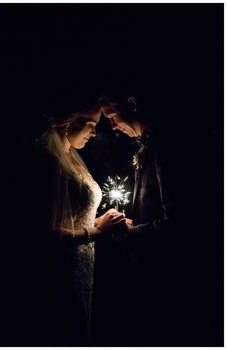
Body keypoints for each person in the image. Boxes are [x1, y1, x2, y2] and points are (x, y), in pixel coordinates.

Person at [12, 97, 125, 346]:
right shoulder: (50, 161)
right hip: (60, 270)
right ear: (71, 121)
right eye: (91, 124)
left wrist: (104, 221)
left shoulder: (70, 155)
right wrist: (97, 231)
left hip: (81, 265)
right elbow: (45, 233)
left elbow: (73, 218)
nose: (95, 133)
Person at [99, 93, 199, 346]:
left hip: (168, 275)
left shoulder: (167, 144)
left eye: (112, 116)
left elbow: (179, 221)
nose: (112, 126)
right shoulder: (147, 142)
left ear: (132, 104)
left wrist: (130, 234)